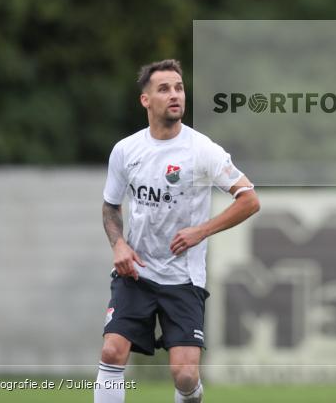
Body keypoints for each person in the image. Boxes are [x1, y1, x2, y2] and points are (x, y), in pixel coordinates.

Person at [95, 59, 260, 403]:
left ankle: (191, 394)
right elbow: (111, 207)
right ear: (145, 100)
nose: (175, 95)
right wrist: (119, 245)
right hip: (136, 273)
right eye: (164, 89)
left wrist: (201, 231)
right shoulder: (126, 150)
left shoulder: (202, 150)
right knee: (112, 352)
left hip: (184, 278)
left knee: (185, 375)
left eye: (179, 88)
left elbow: (249, 200)